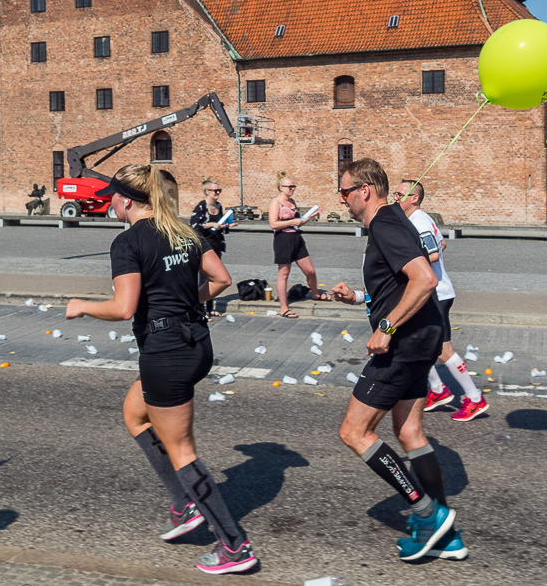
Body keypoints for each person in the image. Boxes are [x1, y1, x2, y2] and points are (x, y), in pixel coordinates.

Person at [65, 165, 257, 575]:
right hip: (196, 344)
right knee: (134, 414)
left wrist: (81, 306)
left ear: (128, 201)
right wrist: (189, 300)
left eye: (113, 196)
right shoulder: (184, 232)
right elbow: (222, 278)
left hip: (166, 352)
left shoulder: (128, 241)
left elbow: (123, 308)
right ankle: (185, 502)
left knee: (183, 451)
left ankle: (234, 547)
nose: (110, 201)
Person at [332, 159, 464, 562]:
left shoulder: (386, 226)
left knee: (354, 432)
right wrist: (358, 298)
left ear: (365, 190)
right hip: (423, 338)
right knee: (409, 433)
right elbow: (400, 282)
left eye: (345, 191)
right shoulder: (395, 221)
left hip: (402, 344)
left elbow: (424, 278)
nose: (342, 199)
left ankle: (427, 514)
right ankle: (446, 537)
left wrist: (385, 327)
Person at [395, 180, 487, 422]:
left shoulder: (418, 221)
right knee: (415, 343)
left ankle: (474, 398)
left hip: (436, 294)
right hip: (431, 292)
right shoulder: (420, 219)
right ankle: (437, 390)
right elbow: (442, 243)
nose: (395, 198)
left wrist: (405, 260)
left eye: (399, 194)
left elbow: (434, 253)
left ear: (414, 198)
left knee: (443, 350)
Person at [268, 171, 325, 317]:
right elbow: (273, 224)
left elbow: (298, 223)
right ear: (281, 187)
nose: (292, 189)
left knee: (310, 271)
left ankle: (315, 294)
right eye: (289, 187)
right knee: (284, 273)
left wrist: (310, 216)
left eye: (294, 187)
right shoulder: (276, 202)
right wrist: (293, 221)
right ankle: (283, 307)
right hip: (283, 240)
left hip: (297, 238)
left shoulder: (292, 202)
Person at [190, 177, 237, 318]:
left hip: (216, 245)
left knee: (214, 277)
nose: (217, 193)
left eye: (219, 190)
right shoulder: (201, 207)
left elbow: (219, 226)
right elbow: (193, 226)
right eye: (215, 191)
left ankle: (210, 309)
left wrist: (226, 226)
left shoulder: (219, 206)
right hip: (204, 245)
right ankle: (200, 310)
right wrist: (211, 225)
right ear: (207, 191)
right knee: (204, 278)